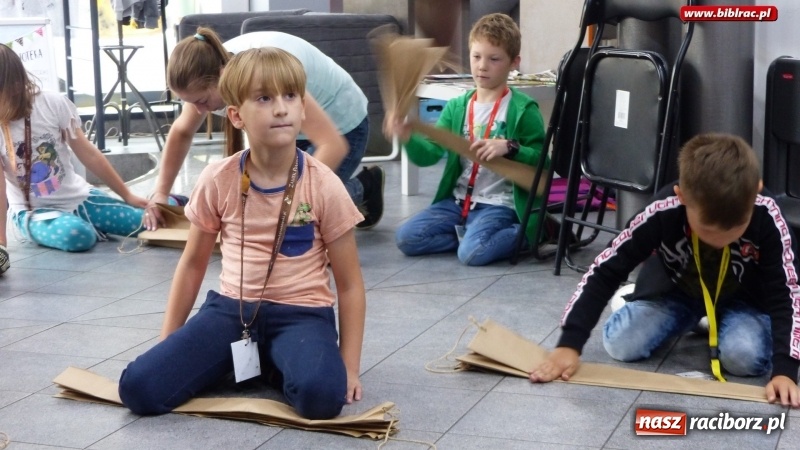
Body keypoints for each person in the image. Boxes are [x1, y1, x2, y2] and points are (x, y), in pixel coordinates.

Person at [118, 47, 367, 420]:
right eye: (264, 98)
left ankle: (268, 361)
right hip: (230, 311)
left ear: (302, 108)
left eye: (289, 96)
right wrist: (169, 344)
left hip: (302, 314)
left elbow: (349, 286)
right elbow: (191, 266)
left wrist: (349, 367)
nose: (280, 108)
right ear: (236, 115)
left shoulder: (324, 184)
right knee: (138, 388)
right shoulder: (217, 179)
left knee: (322, 398)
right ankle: (256, 359)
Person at [530, 133, 800, 407]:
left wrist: (785, 371)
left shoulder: (768, 214)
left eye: (736, 229)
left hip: (745, 302)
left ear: (757, 190)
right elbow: (605, 269)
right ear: (681, 196)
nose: (721, 241)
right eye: (707, 230)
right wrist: (569, 344)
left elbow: (786, 292)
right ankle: (650, 302)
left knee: (745, 358)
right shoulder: (662, 209)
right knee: (621, 344)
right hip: (677, 293)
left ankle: (711, 320)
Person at [143, 27, 384, 231]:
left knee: (304, 214)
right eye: (190, 102)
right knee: (271, 210)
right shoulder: (207, 68)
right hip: (290, 130)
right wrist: (160, 194)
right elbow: (182, 132)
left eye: (202, 101)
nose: (197, 111)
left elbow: (332, 144)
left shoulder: (264, 79)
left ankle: (366, 185)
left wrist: (294, 202)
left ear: (221, 76)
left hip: (343, 124)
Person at [384, 13, 546, 266]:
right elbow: (429, 155)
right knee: (407, 239)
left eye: (494, 59)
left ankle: (531, 234)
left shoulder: (523, 109)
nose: (482, 66)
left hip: (499, 205)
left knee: (473, 255)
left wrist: (510, 147)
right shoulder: (457, 106)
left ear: (514, 62)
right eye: (476, 56)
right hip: (459, 202)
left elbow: (544, 160)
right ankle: (469, 235)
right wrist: (408, 138)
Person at [0, 44, 148, 258]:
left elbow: (88, 153)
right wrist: (1, 242)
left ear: (16, 84)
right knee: (77, 236)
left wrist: (127, 195)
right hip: (34, 213)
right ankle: (90, 225)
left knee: (145, 223)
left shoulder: (51, 103)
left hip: (80, 199)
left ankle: (174, 202)